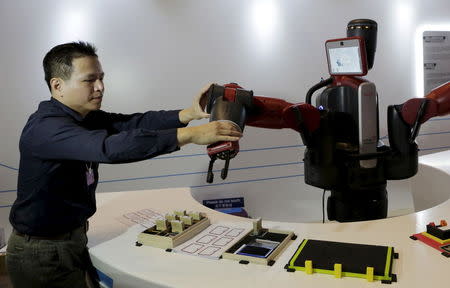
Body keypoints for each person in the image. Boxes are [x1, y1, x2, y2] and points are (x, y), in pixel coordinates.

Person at [6, 41, 242, 288]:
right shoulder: (47, 128)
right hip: (42, 252)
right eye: (89, 80)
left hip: (70, 239)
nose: (100, 87)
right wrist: (190, 135)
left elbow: (132, 124)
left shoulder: (84, 117)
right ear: (58, 85)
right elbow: (109, 148)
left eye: (101, 78)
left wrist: (186, 114)